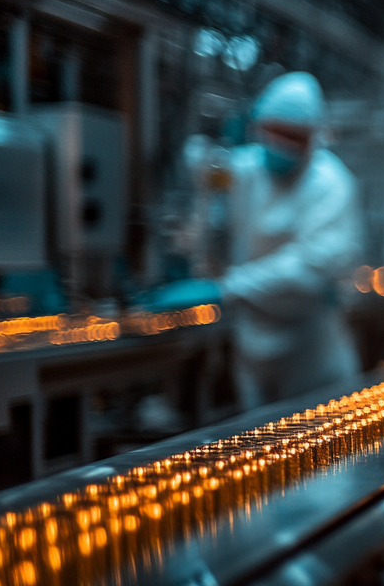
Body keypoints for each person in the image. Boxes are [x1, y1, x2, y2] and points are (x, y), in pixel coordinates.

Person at [147, 72, 364, 407]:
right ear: (257, 126)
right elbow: (200, 171)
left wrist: (225, 287)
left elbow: (309, 267)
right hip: (252, 336)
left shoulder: (331, 183)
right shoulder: (244, 168)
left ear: (314, 137)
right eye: (272, 131)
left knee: (322, 446)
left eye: (293, 137)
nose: (280, 144)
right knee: (261, 442)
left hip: (309, 345)